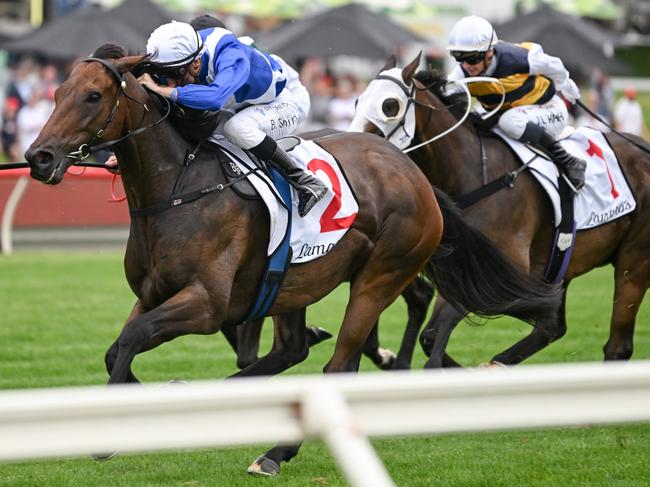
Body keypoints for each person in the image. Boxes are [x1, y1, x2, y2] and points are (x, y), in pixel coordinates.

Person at [137, 20, 327, 217]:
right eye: (162, 75)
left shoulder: (231, 55)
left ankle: (305, 181)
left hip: (281, 104)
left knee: (235, 129)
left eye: (172, 74)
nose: (167, 81)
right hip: (241, 106)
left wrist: (161, 89)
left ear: (195, 64)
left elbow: (214, 98)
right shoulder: (184, 57)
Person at [446, 15, 586, 191]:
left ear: (489, 52)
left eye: (472, 59)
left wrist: (568, 88)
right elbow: (446, 91)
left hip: (547, 109)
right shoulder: (462, 73)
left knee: (509, 122)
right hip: (513, 114)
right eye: (460, 59)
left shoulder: (520, 58)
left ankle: (570, 162)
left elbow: (555, 66)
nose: (466, 66)